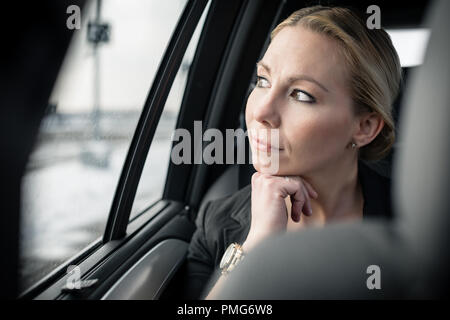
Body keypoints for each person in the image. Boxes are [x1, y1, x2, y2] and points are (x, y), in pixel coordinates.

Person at [180, 5, 402, 299]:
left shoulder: (420, 225)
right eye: (262, 80)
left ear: (364, 127)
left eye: (301, 95)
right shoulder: (216, 224)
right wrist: (255, 248)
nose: (260, 111)